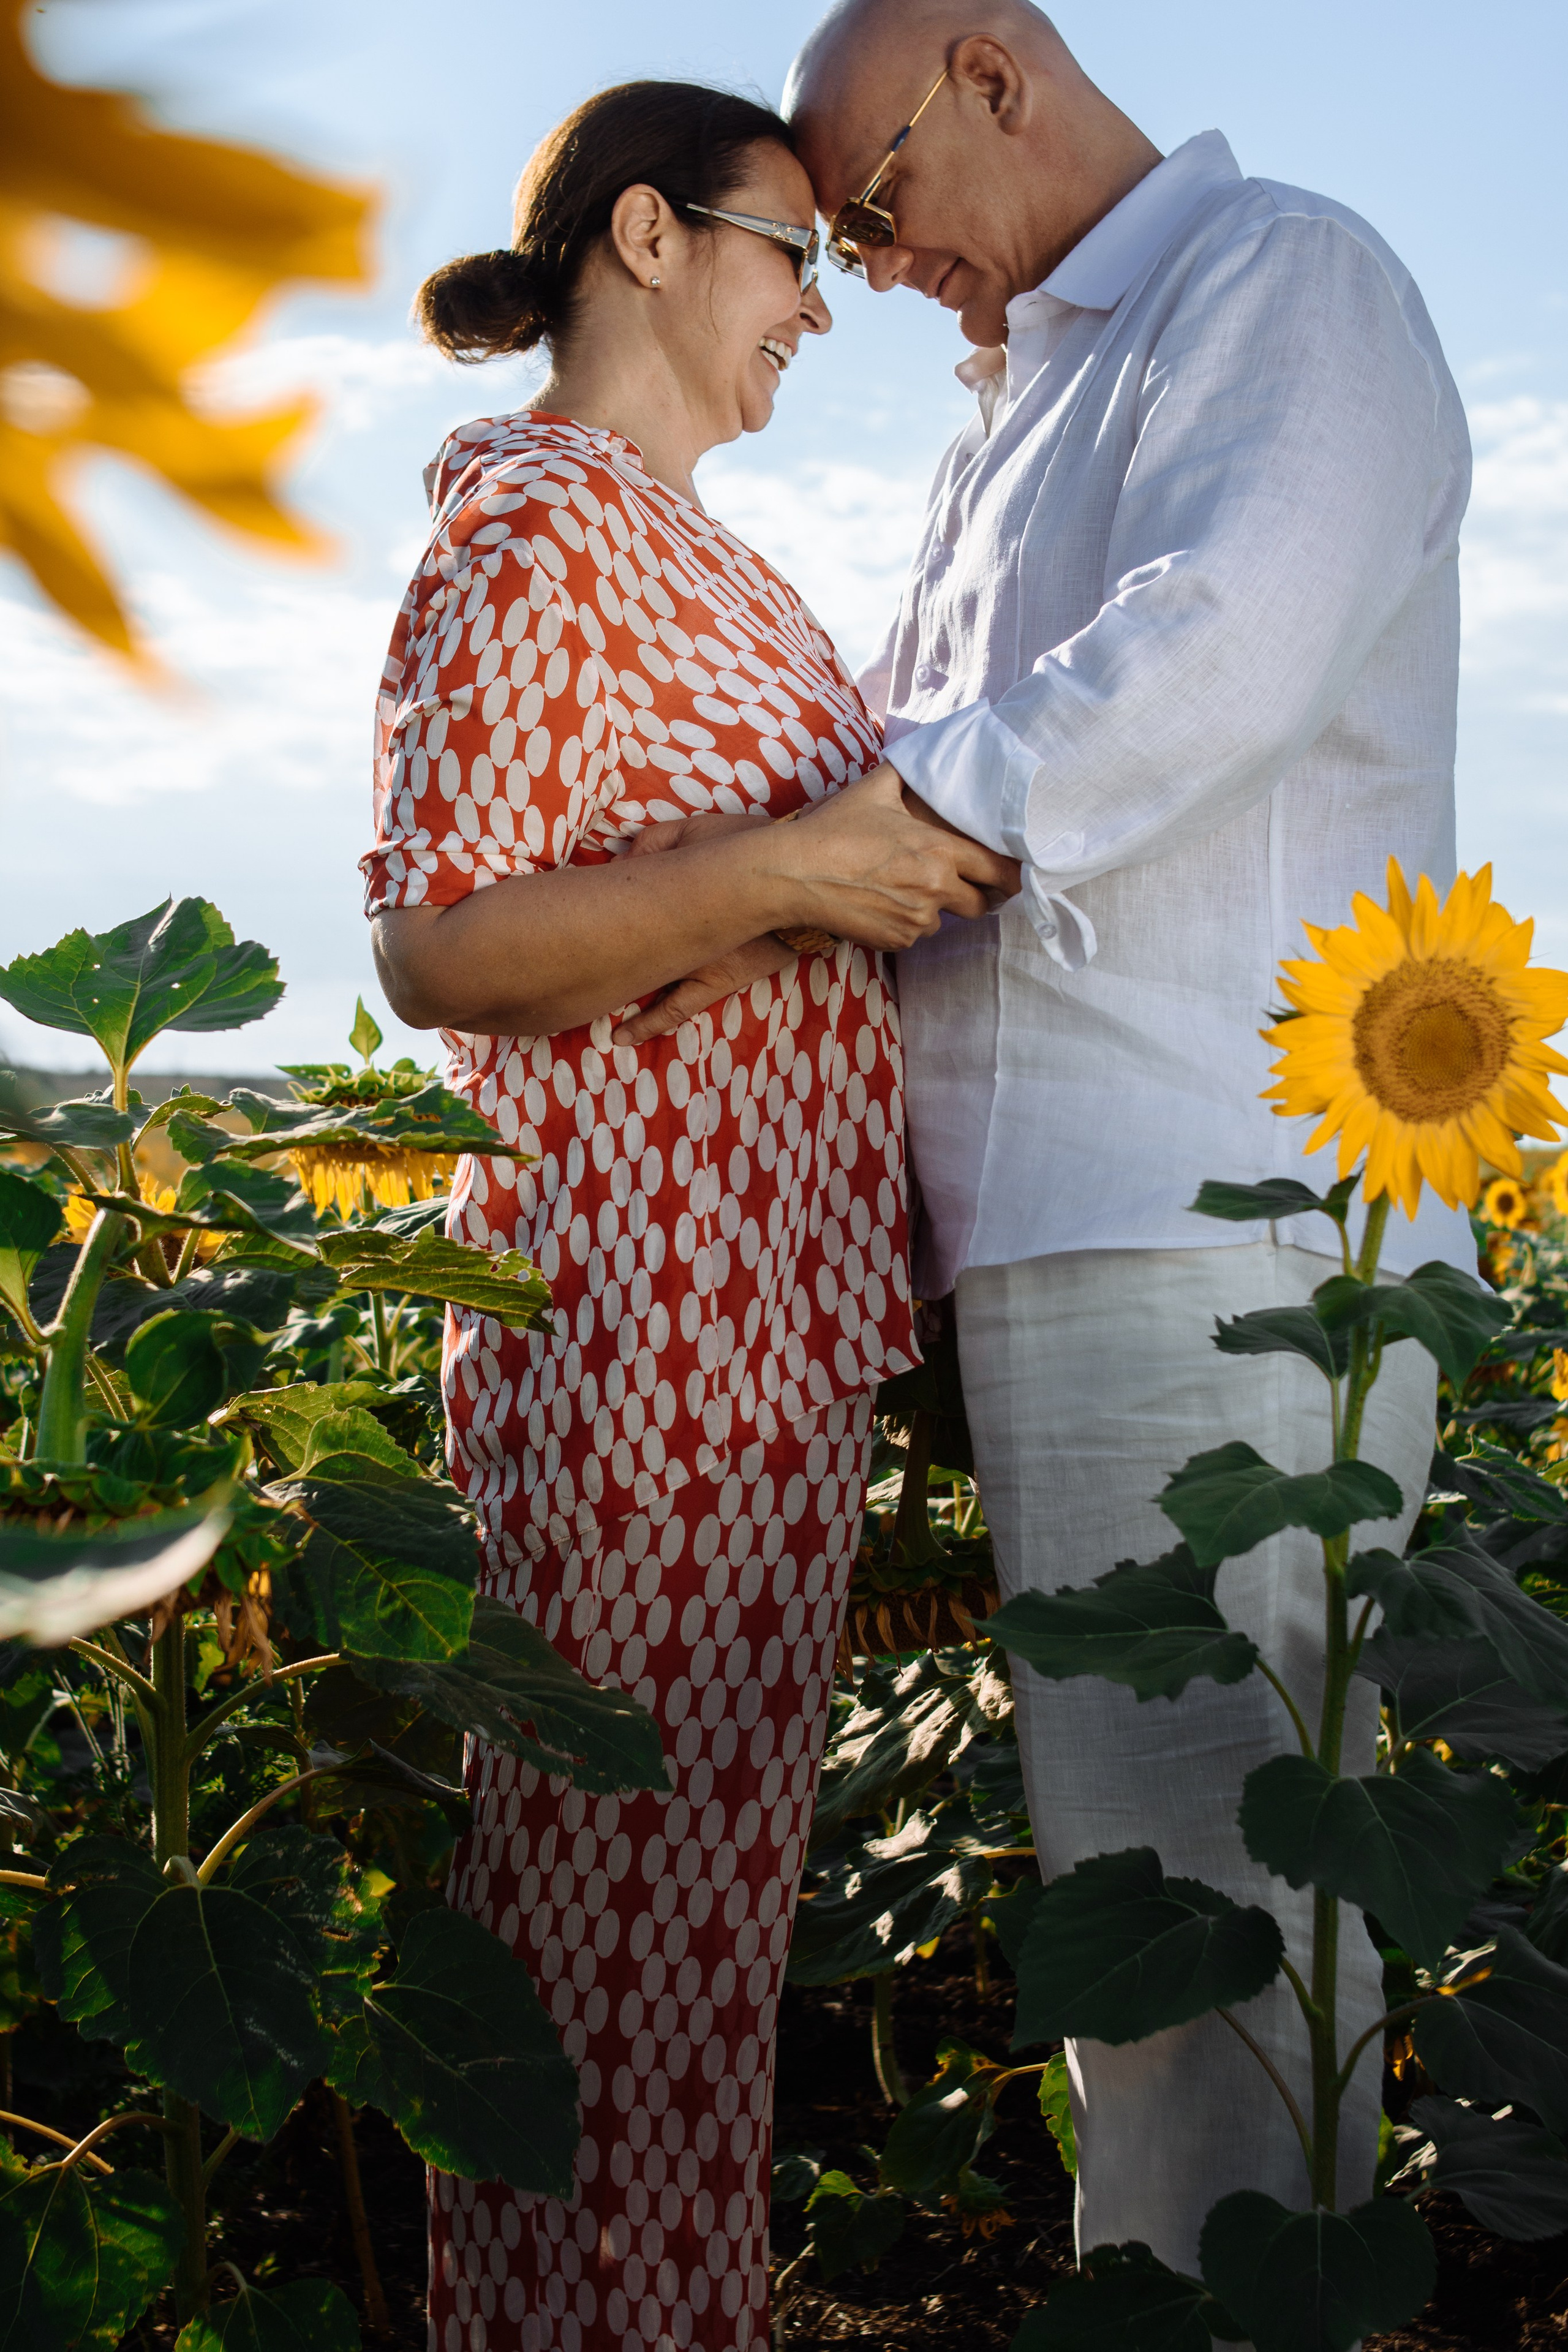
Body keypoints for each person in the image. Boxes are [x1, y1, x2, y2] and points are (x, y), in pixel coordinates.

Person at [782, 0, 1474, 2288]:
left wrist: (851, 840)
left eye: (875, 205)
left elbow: (1221, 647)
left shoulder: (1280, 273)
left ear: (990, 67)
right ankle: (1174, 2294)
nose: (877, 267)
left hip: (1221, 1207)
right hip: (1053, 1223)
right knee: (1137, 1870)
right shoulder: (1025, 400)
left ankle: (1218, 2311)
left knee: (1212, 1884)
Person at [364, 77, 1018, 2352]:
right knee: (587, 1959)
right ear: (650, 237)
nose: (816, 314)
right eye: (792, 258)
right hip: (632, 1321)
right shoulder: (535, 522)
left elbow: (731, 917)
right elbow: (442, 948)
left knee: (700, 1963)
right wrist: (799, 872)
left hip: (769, 1337)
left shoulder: (710, 554)